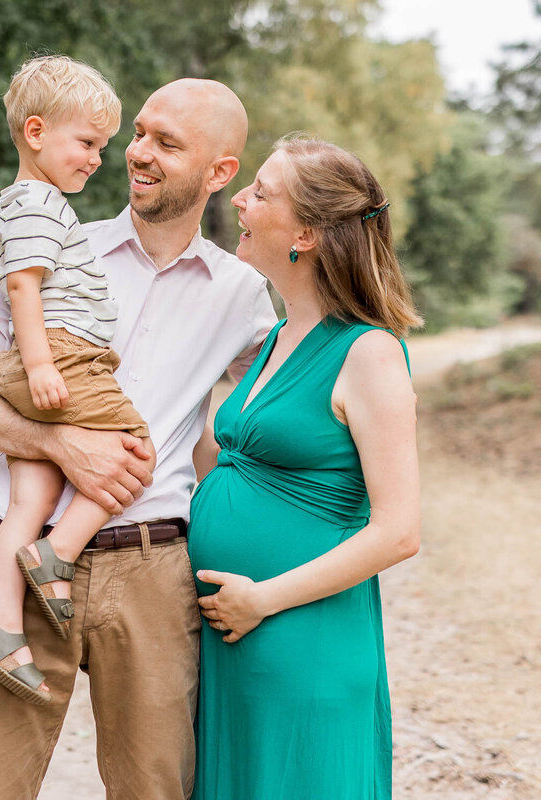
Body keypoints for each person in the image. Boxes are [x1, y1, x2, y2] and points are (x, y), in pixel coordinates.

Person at [0, 77, 277, 800]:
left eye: (166, 143)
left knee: (156, 789)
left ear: (220, 173)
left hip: (153, 572)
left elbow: (263, 420)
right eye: (138, 134)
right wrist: (59, 446)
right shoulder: (53, 245)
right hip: (19, 558)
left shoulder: (241, 294)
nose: (138, 154)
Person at [187, 135, 423, 799]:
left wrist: (261, 599)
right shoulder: (275, 340)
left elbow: (399, 530)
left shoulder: (368, 353)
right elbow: (228, 467)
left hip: (298, 634)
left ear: (307, 233)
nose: (239, 198)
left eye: (260, 191)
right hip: (237, 636)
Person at [0, 55, 156, 707]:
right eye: (88, 142)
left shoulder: (20, 203)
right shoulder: (41, 204)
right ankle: (58, 554)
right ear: (37, 132)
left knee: (30, 500)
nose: (98, 158)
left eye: (102, 145)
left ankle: (1, 627)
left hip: (42, 360)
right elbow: (22, 286)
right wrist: (44, 365)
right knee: (135, 448)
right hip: (64, 357)